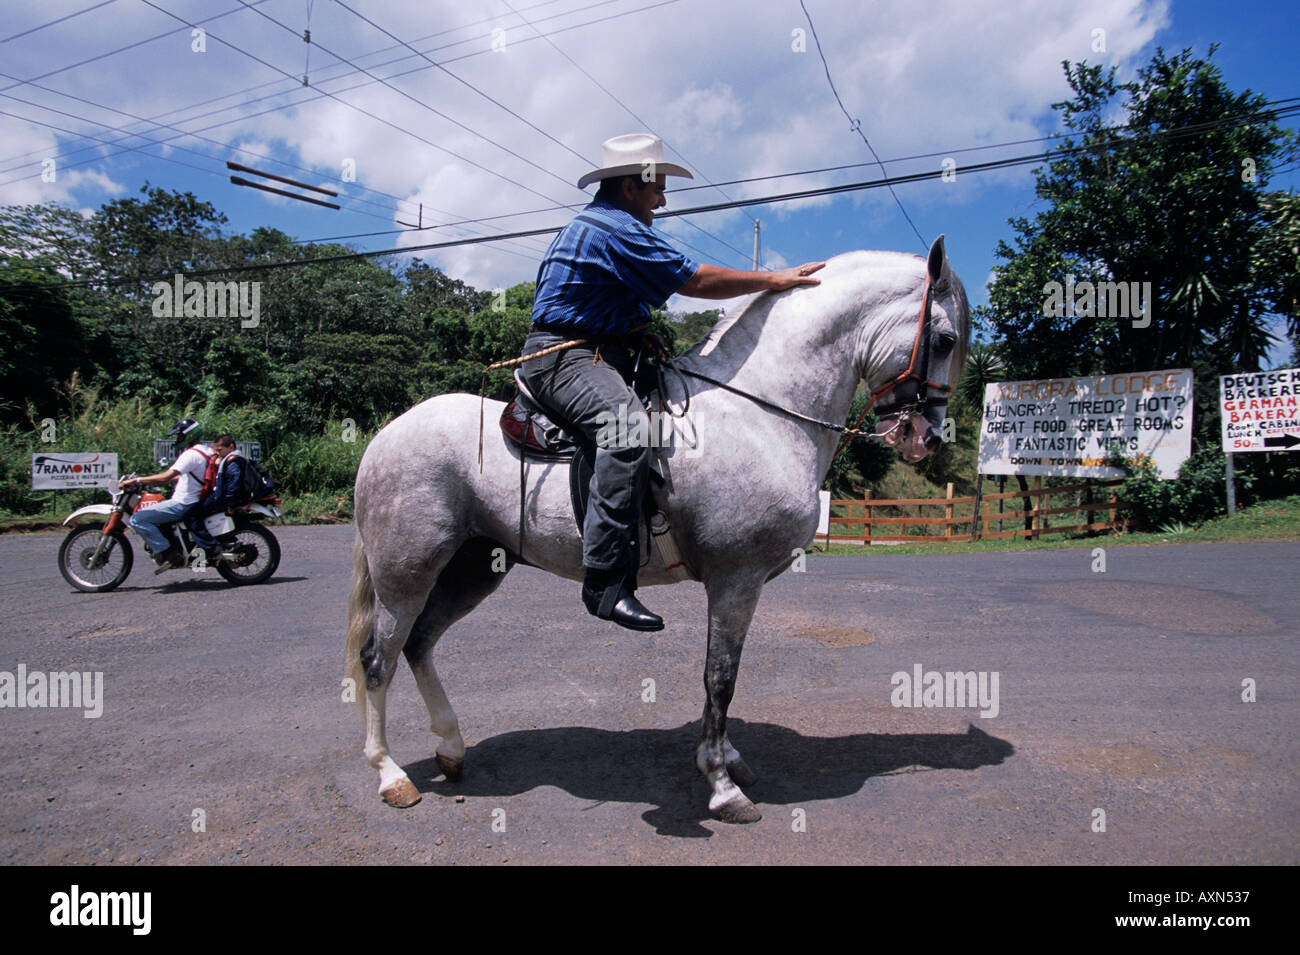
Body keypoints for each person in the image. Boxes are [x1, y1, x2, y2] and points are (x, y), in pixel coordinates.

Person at [520, 133, 825, 632]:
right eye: (656, 189)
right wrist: (774, 279)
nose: (661, 200)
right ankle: (606, 580)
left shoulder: (610, 226)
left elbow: (619, 305)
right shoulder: (611, 227)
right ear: (629, 188)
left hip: (602, 349)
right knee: (627, 429)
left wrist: (640, 336)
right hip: (564, 357)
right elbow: (696, 282)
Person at [118, 418, 217, 573]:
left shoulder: (190, 455)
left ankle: (169, 553)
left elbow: (165, 477)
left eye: (179, 436)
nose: (177, 440)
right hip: (198, 499)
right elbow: (190, 475)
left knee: (137, 519)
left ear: (189, 435)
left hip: (184, 503)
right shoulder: (207, 450)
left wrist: (137, 480)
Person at [184, 433, 245, 563]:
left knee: (190, 515)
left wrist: (229, 504)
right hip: (221, 497)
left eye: (220, 450)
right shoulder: (229, 459)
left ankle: (209, 548)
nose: (218, 453)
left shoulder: (233, 461)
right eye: (216, 450)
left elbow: (234, 484)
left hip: (222, 499)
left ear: (231, 446)